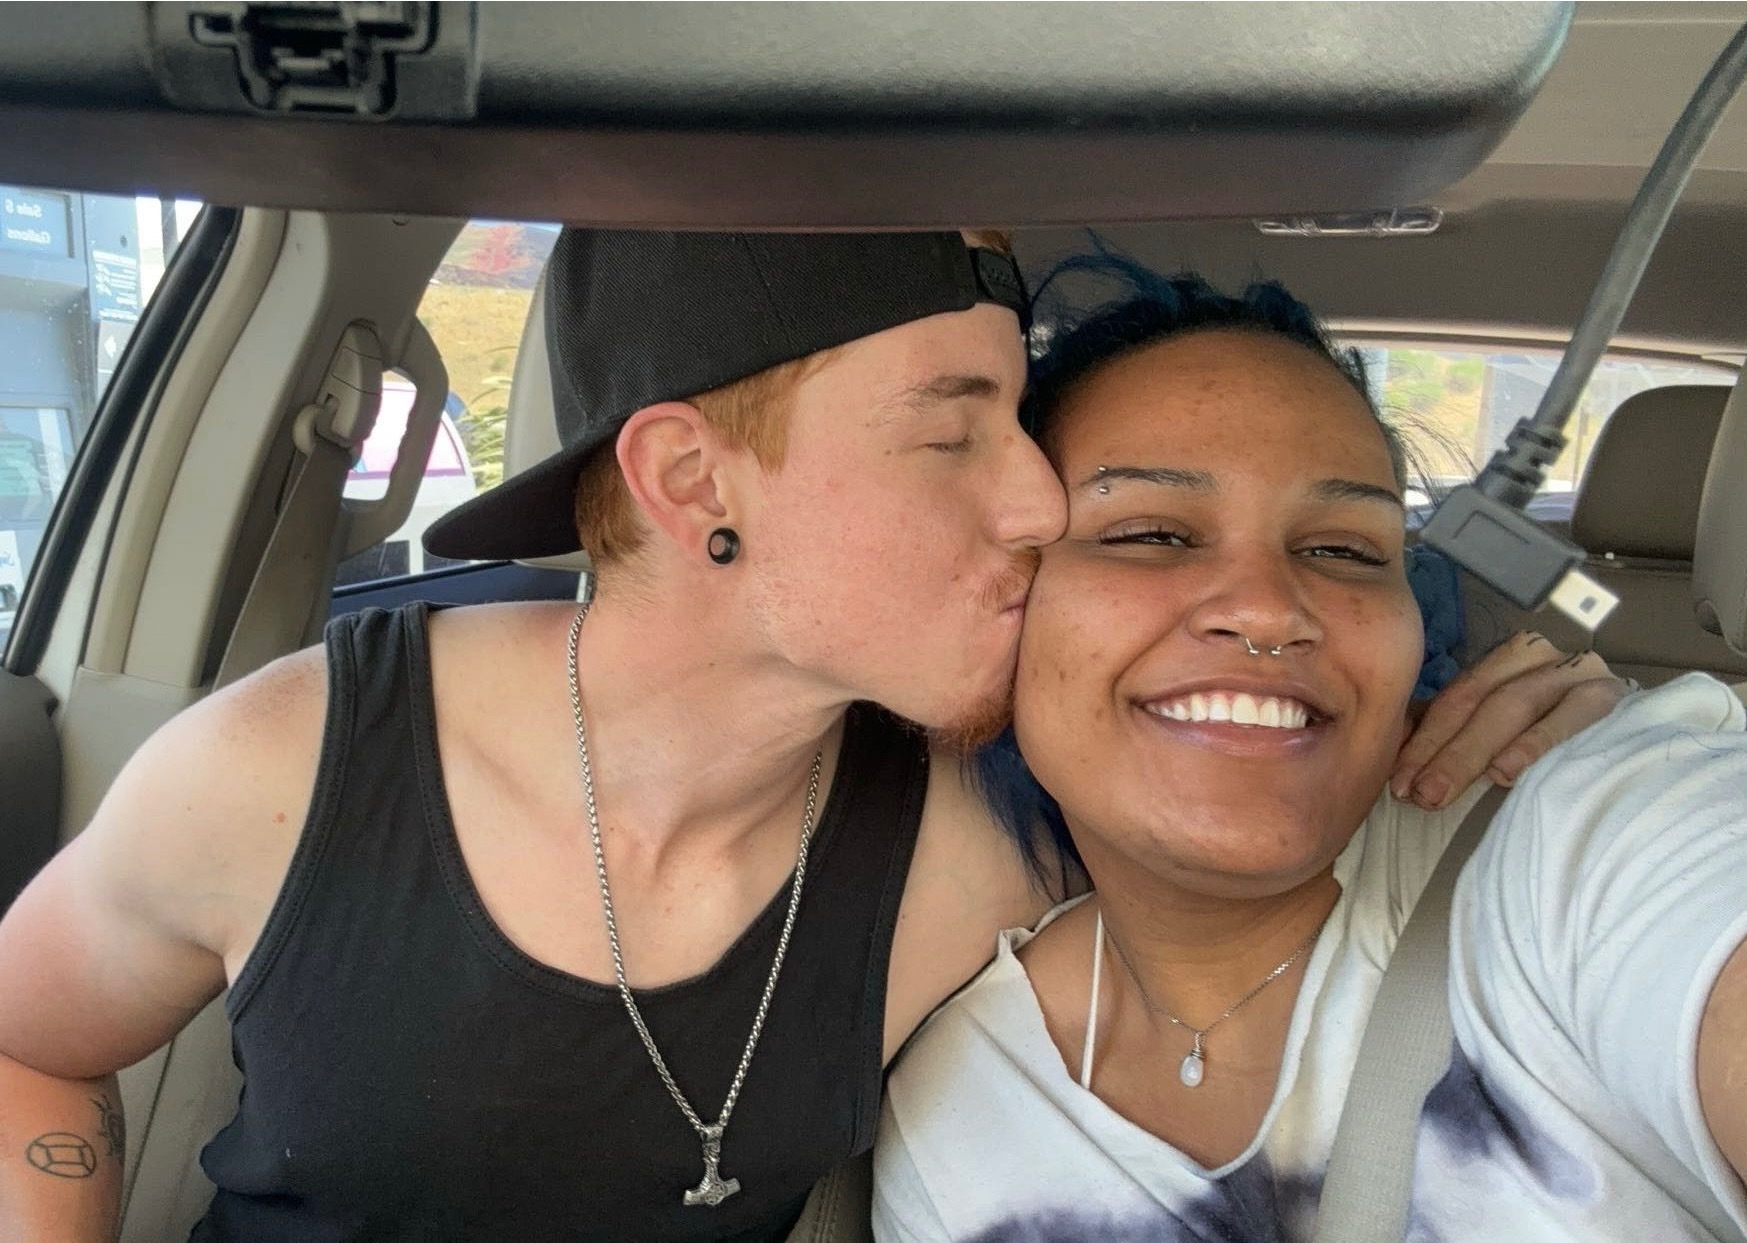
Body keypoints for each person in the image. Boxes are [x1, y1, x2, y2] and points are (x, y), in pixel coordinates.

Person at [0, 231, 1628, 1243]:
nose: (1039, 499)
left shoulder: (982, 830)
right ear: (691, 481)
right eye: (953, 433)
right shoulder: (287, 768)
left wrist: (1553, 746)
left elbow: (1264, 755)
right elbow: (26, 1042)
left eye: (1021, 423)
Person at [872, 262, 1747, 1241]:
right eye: (1152, 533)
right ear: (1003, 608)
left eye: (1343, 550)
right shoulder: (954, 1119)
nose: (1266, 608)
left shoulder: (1584, 827)